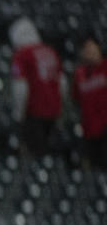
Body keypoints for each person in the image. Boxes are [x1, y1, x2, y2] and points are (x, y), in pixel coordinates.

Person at [9, 17, 63, 159]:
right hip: (53, 112)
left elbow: (20, 86)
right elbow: (62, 83)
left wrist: (19, 113)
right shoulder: (51, 52)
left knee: (34, 156)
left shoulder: (21, 55)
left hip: (34, 112)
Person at [71, 36, 107, 169]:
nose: (89, 52)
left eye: (91, 48)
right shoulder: (79, 74)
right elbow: (75, 99)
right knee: (95, 167)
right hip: (89, 129)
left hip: (105, 128)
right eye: (85, 49)